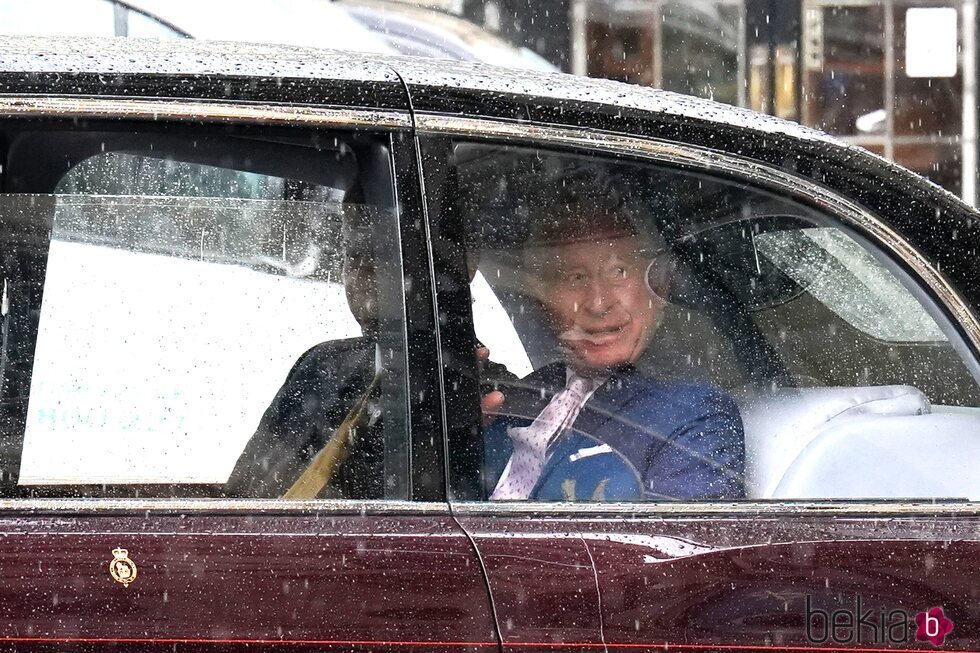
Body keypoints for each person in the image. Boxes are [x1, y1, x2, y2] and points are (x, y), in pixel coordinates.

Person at [483, 188, 745, 501]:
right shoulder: (536, 386)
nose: (598, 303)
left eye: (618, 271)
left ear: (657, 287)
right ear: (544, 303)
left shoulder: (692, 413)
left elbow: (678, 543)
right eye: (575, 278)